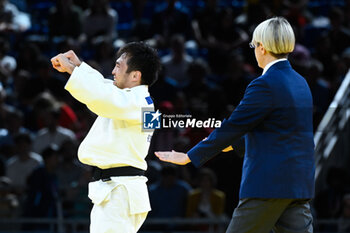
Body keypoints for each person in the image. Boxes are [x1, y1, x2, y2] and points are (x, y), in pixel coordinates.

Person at [155, 17, 315, 233]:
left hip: (267, 185)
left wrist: (190, 155)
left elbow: (233, 127)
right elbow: (269, 132)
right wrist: (223, 144)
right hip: (299, 184)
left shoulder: (264, 84)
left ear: (262, 47)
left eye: (254, 45)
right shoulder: (301, 82)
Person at [51, 42, 161, 233]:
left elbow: (103, 96)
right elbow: (105, 87)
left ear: (135, 76)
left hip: (120, 192)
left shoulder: (138, 103)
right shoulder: (134, 98)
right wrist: (79, 67)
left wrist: (73, 72)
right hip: (118, 190)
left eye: (119, 66)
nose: (113, 70)